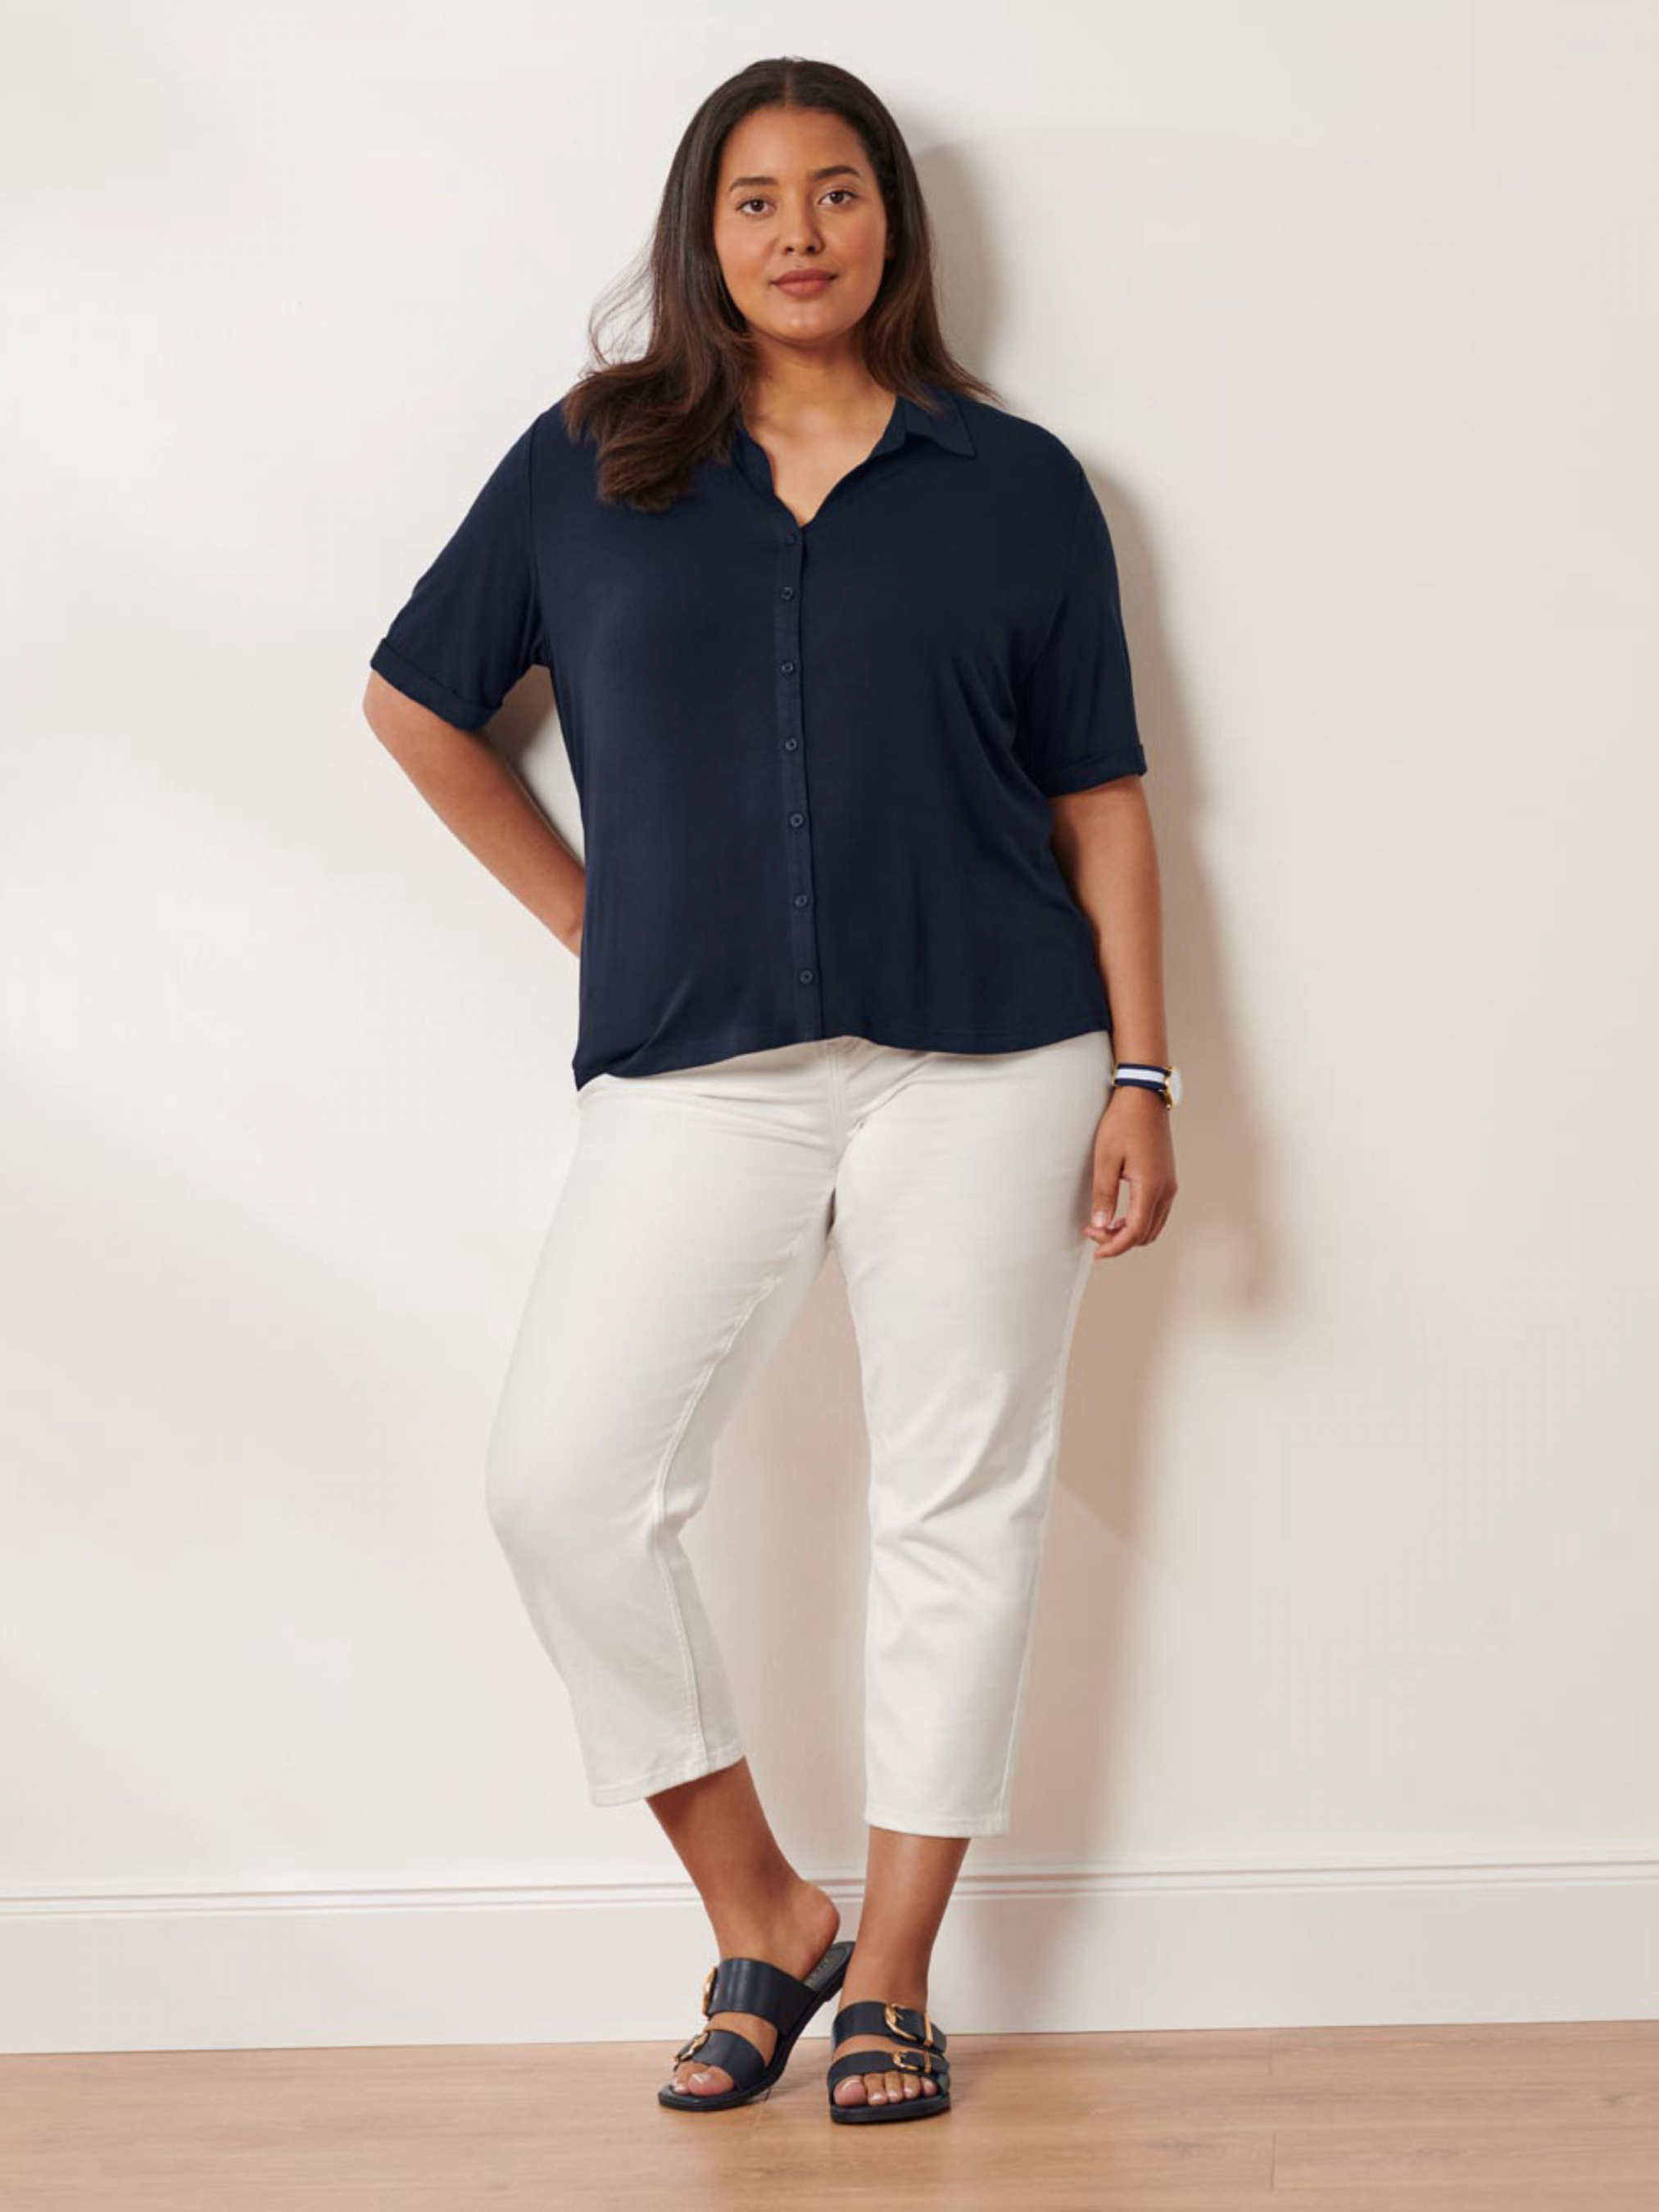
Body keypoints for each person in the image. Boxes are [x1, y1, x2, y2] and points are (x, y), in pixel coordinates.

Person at [361, 55, 1180, 2128]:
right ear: (700, 233)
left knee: (955, 1504)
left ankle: (892, 1971)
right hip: (695, 1067)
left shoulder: (1015, 482)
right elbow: (416, 703)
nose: (797, 231)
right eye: (753, 198)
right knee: (561, 1486)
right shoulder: (590, 462)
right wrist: (595, 922)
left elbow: (1099, 794)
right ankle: (764, 1907)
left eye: (833, 189)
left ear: (889, 219)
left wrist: (1141, 1067)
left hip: (991, 1053)